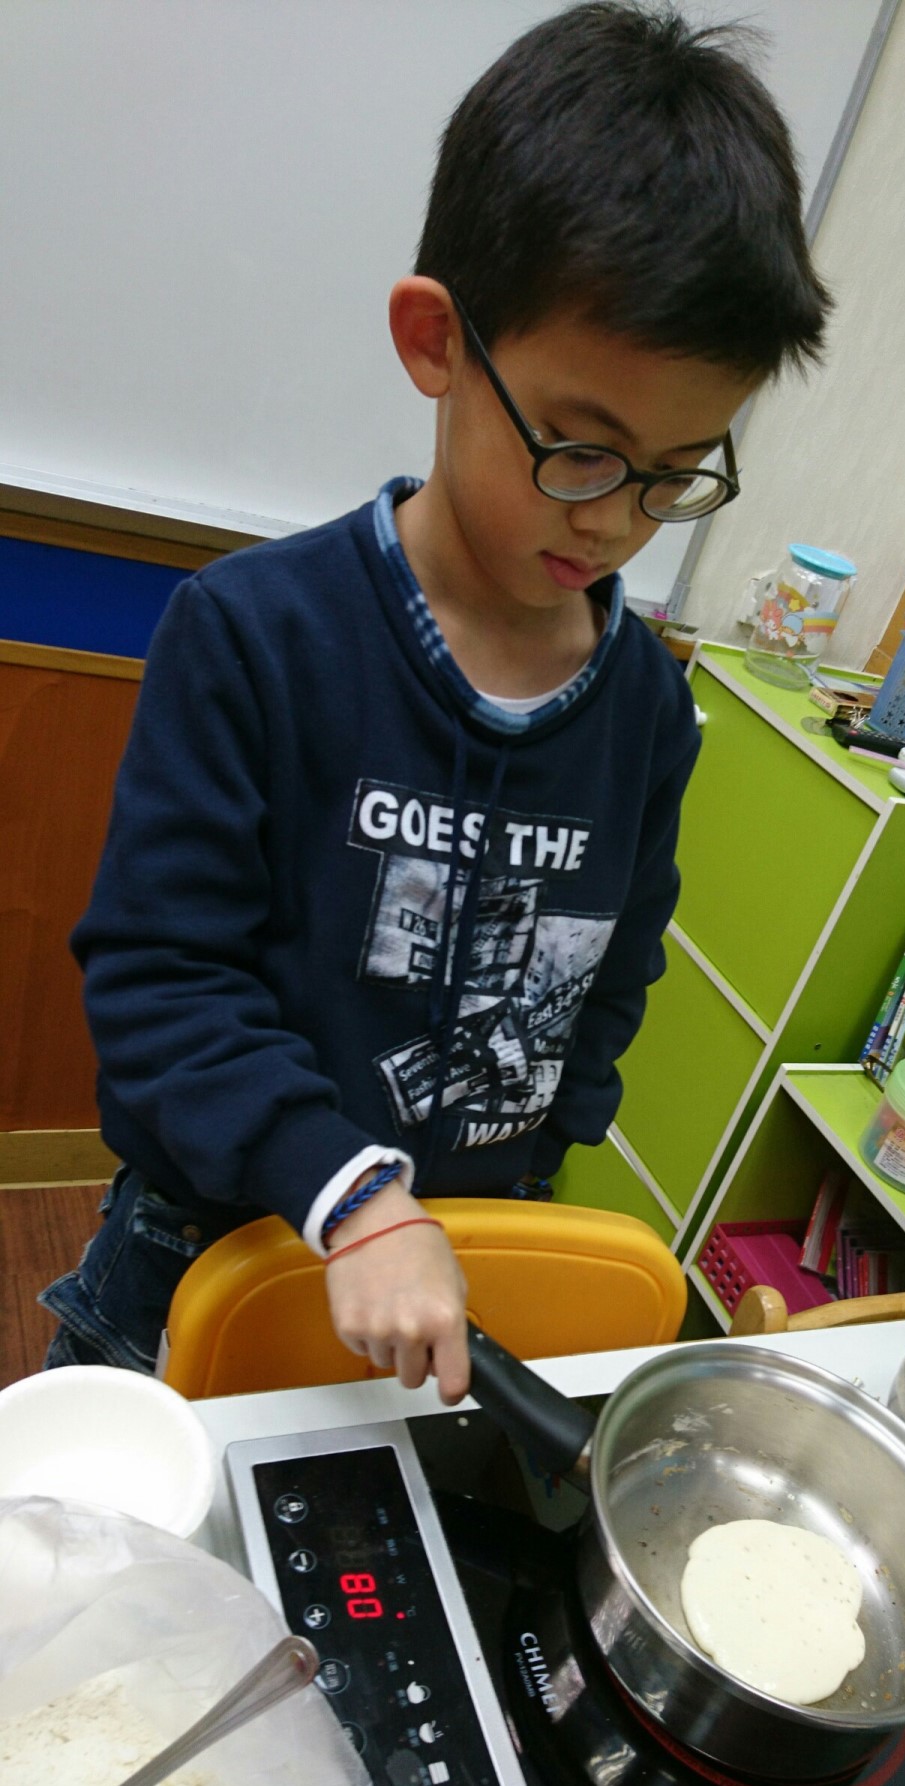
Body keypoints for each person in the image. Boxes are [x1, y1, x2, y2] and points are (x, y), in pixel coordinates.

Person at [41, 1, 829, 1401]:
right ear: (437, 343)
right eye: (581, 451)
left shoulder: (643, 707)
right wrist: (351, 1193)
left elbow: (611, 976)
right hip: (211, 1245)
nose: (618, 522)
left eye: (676, 473)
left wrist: (526, 1177)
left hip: (460, 1256)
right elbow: (163, 983)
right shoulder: (255, 634)